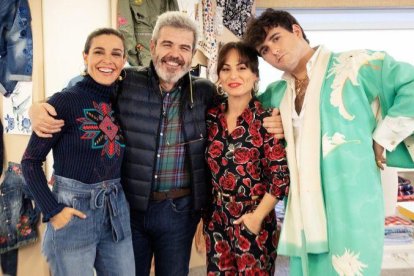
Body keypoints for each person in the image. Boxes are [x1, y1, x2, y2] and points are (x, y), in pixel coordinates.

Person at [28, 12, 284, 275]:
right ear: (152, 46)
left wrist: (278, 117)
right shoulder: (126, 82)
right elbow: (84, 90)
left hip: (180, 213)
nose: (175, 54)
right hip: (130, 210)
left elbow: (240, 98)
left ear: (193, 53)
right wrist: (39, 107)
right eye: (167, 44)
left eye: (184, 47)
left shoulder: (206, 92)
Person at [243, 9, 414, 276]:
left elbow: (410, 83)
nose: (273, 52)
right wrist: (272, 126)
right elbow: (243, 117)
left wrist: (384, 137)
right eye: (264, 50)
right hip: (302, 213)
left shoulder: (355, 65)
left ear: (296, 31)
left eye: (276, 38)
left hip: (351, 206)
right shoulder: (276, 95)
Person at [21, 28, 135, 275]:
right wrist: (53, 211)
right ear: (85, 57)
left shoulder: (122, 98)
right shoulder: (65, 101)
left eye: (116, 53)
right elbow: (30, 162)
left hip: (116, 208)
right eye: (98, 52)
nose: (108, 60)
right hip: (73, 211)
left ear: (124, 60)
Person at [204, 41, 290, 275]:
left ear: (255, 75)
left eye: (242, 68)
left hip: (254, 219)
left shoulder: (267, 119)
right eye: (226, 68)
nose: (233, 75)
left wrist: (257, 218)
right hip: (216, 218)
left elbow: (280, 179)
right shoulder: (211, 118)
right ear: (219, 76)